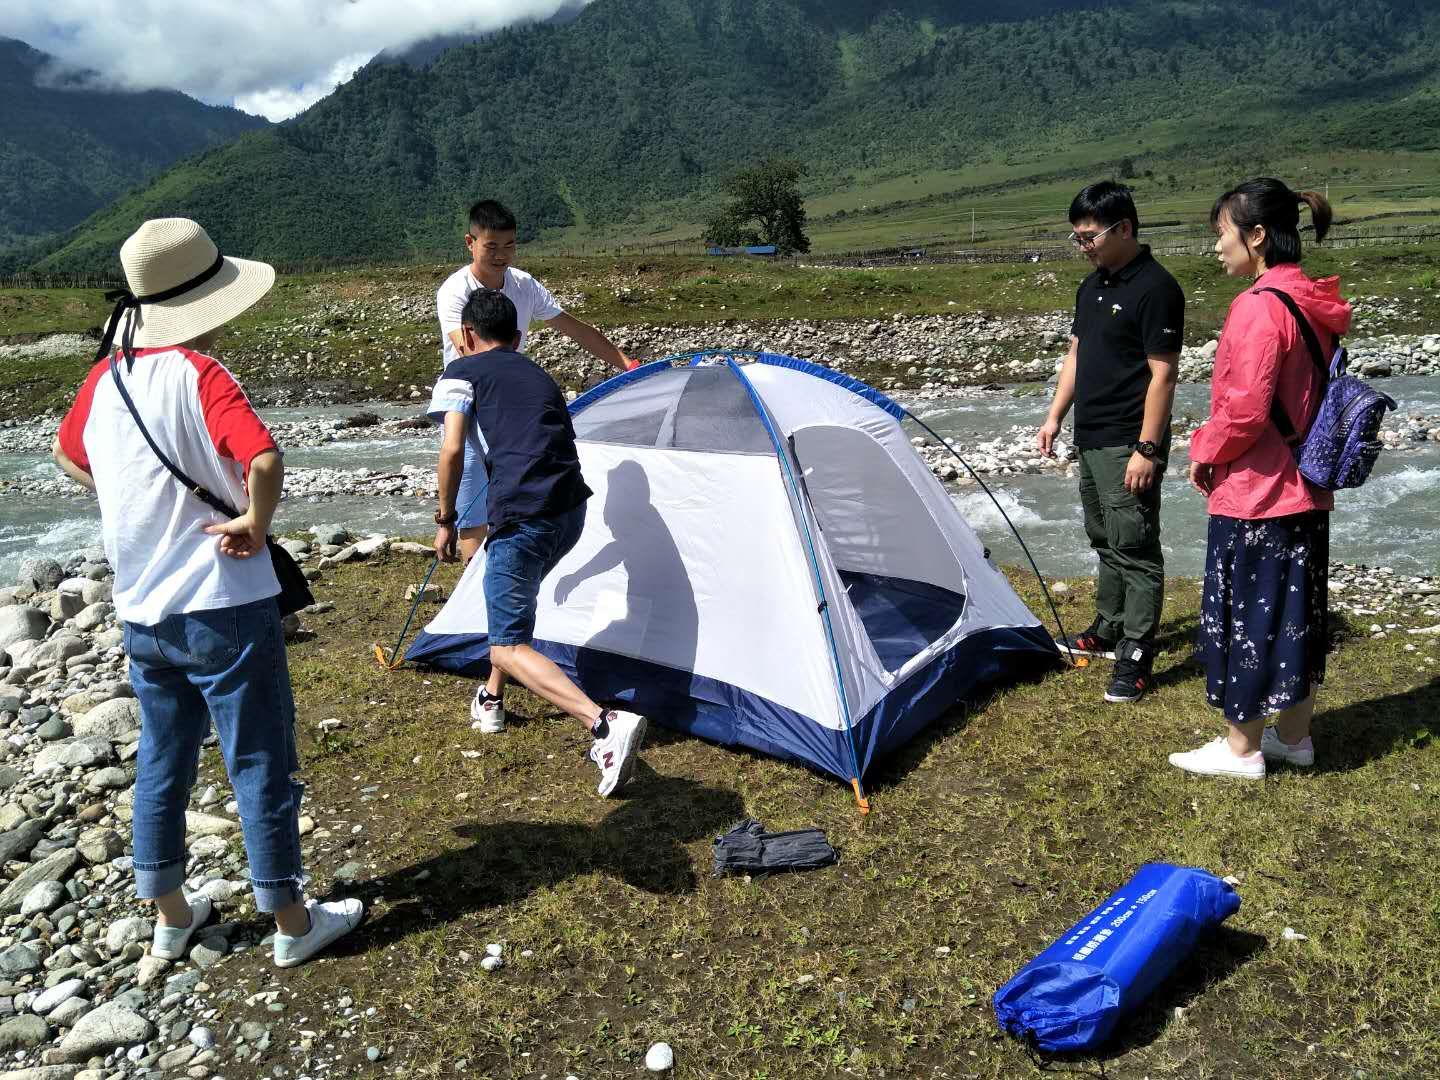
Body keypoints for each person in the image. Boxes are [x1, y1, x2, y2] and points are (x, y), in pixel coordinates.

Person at [51, 218, 363, 967]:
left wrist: (132, 501)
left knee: (162, 759)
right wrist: (253, 521)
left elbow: (70, 459)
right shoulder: (201, 374)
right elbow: (262, 455)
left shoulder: (105, 378)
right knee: (257, 758)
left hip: (143, 611)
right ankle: (292, 923)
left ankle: (170, 914)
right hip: (222, 604)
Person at [431, 288, 648, 794]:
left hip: (523, 515)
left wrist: (445, 518)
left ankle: (604, 725)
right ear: (518, 335)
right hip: (569, 512)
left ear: (465, 335)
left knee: (506, 644)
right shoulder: (538, 373)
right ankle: (490, 698)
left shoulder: (459, 372)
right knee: (512, 607)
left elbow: (452, 448)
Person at [1169, 179, 1350, 780]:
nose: (1217, 247)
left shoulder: (1257, 306)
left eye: (1222, 233)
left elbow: (1244, 410)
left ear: (1257, 236)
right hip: (1306, 484)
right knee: (1295, 613)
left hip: (1258, 491)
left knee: (1247, 613)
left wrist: (1202, 448)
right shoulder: (1311, 301)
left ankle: (1241, 748)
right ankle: (1295, 739)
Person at [1037, 182, 1185, 703]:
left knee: (1136, 546)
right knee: (1104, 536)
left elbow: (1163, 375)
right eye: (1077, 238)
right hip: (1092, 434)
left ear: (1123, 228)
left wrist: (1148, 448)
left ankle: (1137, 654)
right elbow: (1076, 356)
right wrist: (1056, 415)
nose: (1084, 246)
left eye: (1090, 237)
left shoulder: (1156, 287)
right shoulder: (1092, 287)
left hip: (1129, 439)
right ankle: (1108, 625)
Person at [437, 199, 637, 563]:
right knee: (472, 501)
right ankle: (474, 590)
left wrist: (626, 363)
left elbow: (573, 327)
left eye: (509, 245)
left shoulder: (524, 285)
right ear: (470, 243)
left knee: (512, 493)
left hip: (509, 398)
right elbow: (467, 351)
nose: (501, 255)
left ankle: (506, 576)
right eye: (491, 246)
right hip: (467, 399)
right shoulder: (455, 290)